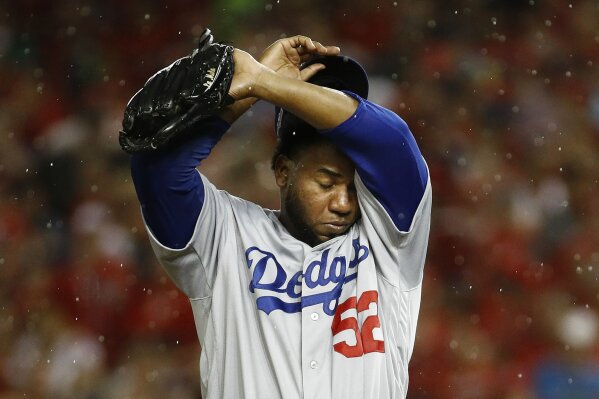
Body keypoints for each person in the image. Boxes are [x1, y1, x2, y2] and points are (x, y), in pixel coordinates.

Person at [130, 35, 431, 399]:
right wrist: (246, 94)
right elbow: (160, 172)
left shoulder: (391, 241)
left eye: (354, 188)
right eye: (326, 183)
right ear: (284, 172)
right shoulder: (226, 236)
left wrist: (265, 82)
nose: (343, 203)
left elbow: (392, 141)